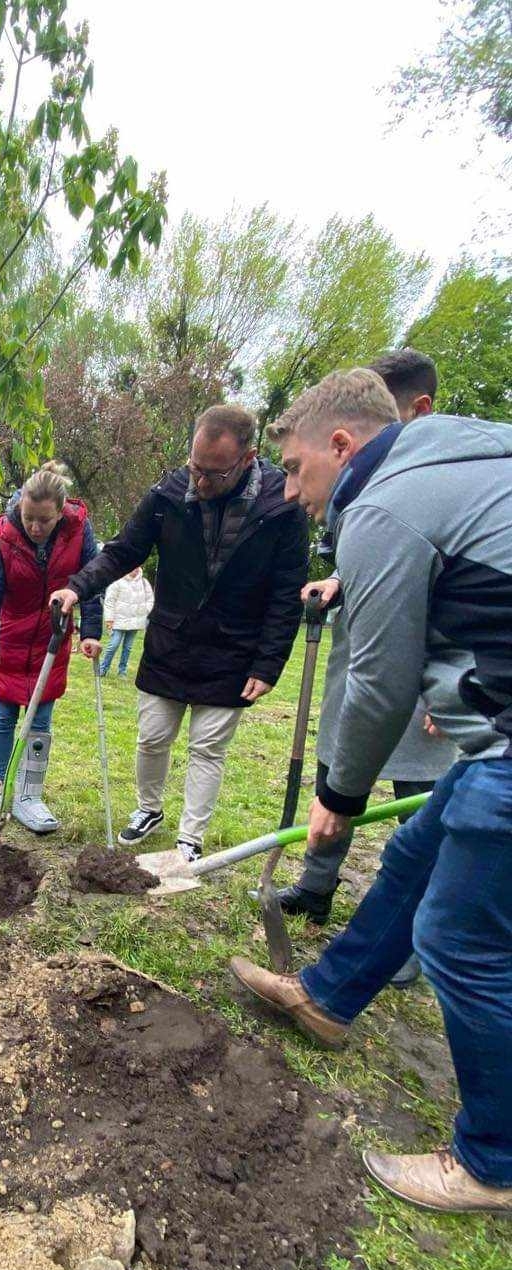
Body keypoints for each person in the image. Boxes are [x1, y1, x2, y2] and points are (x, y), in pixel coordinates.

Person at [230, 367, 512, 1215]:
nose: (290, 489)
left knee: (460, 943)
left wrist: (339, 795)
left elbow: (377, 680)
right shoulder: (459, 454)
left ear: (342, 446)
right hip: (493, 734)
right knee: (418, 859)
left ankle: (494, 1161)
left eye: (293, 467)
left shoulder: (383, 506)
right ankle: (328, 996)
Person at [271, 349, 458, 989]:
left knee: (419, 816)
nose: (291, 491)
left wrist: (457, 689)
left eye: (296, 470)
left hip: (433, 688)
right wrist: (344, 581)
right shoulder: (391, 494)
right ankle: (317, 889)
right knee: (340, 765)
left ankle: (411, 939)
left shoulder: (406, 492)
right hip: (375, 675)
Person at [53, 404, 309, 862]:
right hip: (170, 641)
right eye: (195, 467)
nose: (201, 482)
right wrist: (77, 588)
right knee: (151, 736)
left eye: (215, 473)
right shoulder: (168, 494)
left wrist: (269, 663)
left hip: (234, 648)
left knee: (207, 748)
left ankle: (190, 838)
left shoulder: (281, 508)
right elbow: (122, 552)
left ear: (247, 460)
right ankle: (148, 809)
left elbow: (286, 592)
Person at [0, 461, 103, 832]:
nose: (34, 527)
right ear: (20, 507)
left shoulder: (80, 531)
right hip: (10, 639)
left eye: (43, 520)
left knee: (41, 721)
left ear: (60, 513)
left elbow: (91, 582)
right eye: (28, 517)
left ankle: (29, 795)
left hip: (54, 637)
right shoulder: (4, 535)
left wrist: (91, 631)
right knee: (3, 717)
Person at [98, 567, 154, 678]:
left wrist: (144, 610)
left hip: (135, 621)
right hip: (119, 621)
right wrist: (109, 619)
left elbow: (150, 599)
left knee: (128, 648)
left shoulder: (144, 582)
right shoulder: (117, 582)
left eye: (138, 567)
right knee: (113, 645)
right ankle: (103, 668)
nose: (136, 569)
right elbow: (109, 602)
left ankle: (122, 671)